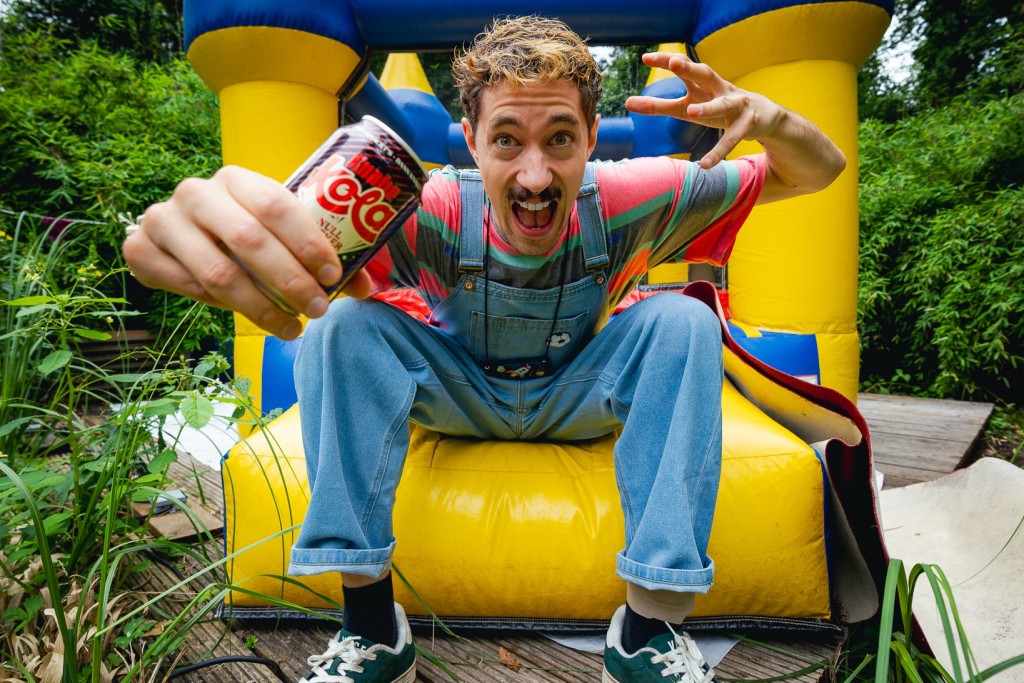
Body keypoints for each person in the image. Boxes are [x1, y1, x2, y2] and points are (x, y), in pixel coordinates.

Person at [124, 15, 845, 683]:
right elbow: (274, 248)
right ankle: (372, 627)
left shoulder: (635, 196)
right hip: (456, 392)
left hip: (577, 393)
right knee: (342, 325)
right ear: (470, 141)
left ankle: (647, 632)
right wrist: (193, 239)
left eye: (559, 139)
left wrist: (771, 119)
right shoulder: (422, 209)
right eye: (507, 141)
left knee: (683, 319)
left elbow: (818, 170)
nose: (534, 175)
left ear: (592, 136)